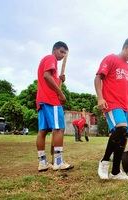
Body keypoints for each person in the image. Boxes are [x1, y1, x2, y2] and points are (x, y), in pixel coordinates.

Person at [94, 37, 128, 180]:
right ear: (126, 47)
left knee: (123, 138)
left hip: (125, 106)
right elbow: (98, 78)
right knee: (121, 128)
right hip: (111, 103)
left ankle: (116, 171)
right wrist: (100, 98)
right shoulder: (111, 59)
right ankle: (105, 161)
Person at [36, 41, 74, 172]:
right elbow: (47, 76)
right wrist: (61, 93)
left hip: (41, 100)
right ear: (54, 50)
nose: (63, 55)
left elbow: (49, 79)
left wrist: (60, 79)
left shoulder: (49, 63)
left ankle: (42, 163)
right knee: (59, 129)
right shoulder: (50, 58)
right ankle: (58, 162)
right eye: (61, 51)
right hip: (51, 100)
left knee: (43, 131)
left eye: (65, 53)